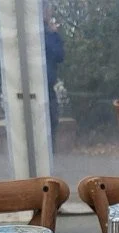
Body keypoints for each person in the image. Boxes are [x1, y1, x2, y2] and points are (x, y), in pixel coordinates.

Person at [45, 12, 64, 149]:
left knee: (52, 120)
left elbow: (60, 56)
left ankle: (51, 152)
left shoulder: (52, 35)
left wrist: (54, 35)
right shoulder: (34, 31)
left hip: (49, 85)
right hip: (34, 85)